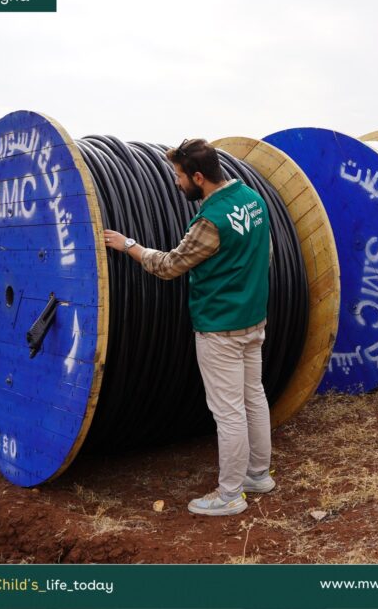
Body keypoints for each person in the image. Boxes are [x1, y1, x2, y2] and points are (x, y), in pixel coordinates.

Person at [103, 138, 274, 516]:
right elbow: (264, 254)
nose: (177, 183)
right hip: (252, 320)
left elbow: (168, 266)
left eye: (180, 176)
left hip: (219, 328)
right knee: (253, 398)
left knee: (228, 412)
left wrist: (129, 244)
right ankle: (258, 475)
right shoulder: (253, 200)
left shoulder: (209, 221)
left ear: (199, 176)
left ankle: (230, 496)